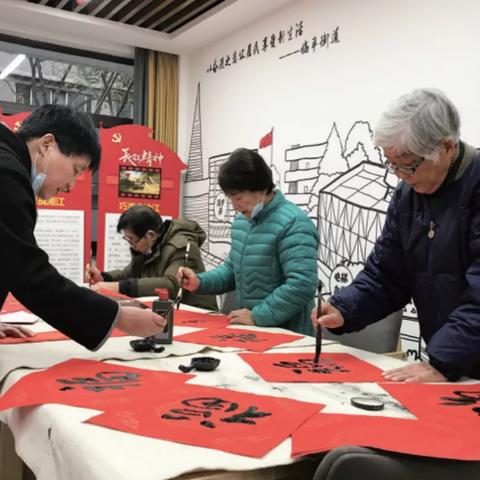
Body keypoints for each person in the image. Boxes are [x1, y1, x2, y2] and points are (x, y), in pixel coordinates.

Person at [312, 88, 480, 382]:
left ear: (447, 147)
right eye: (392, 164)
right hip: (452, 365)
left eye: (408, 164)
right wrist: (345, 308)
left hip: (457, 361)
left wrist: (442, 362)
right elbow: (387, 275)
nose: (399, 175)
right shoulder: (408, 195)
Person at [0, 104, 165, 348]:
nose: (71, 186)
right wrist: (118, 317)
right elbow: (27, 273)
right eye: (76, 170)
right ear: (47, 145)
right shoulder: (6, 174)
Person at [177, 148, 318, 336]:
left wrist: (258, 316)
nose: (235, 206)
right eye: (230, 198)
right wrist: (199, 282)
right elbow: (232, 270)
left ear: (260, 187)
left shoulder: (294, 223)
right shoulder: (242, 222)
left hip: (289, 334)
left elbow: (301, 284)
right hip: (251, 331)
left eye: (238, 197)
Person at [85, 205, 217, 310]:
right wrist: (104, 277)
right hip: (169, 310)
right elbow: (128, 274)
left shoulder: (182, 246)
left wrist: (119, 287)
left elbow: (171, 286)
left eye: (132, 240)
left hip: (196, 312)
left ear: (150, 235)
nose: (131, 245)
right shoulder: (148, 247)